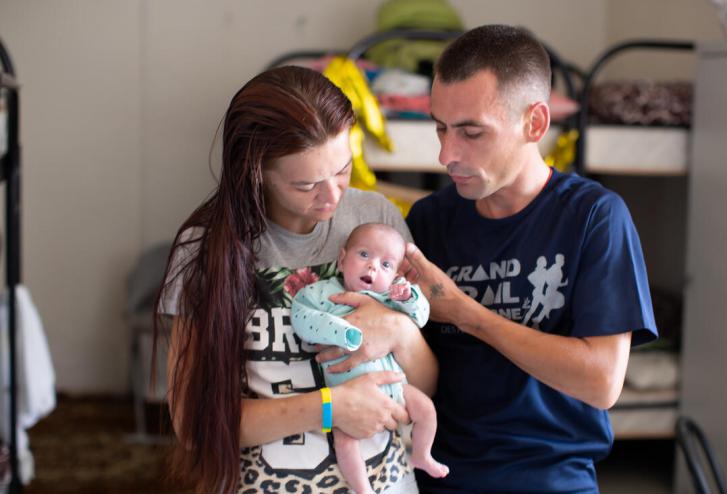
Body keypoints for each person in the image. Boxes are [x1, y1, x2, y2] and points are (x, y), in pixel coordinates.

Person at [401, 25, 658, 493]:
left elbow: (601, 382)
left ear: (534, 124)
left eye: (471, 132)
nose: (446, 154)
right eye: (441, 128)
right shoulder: (429, 221)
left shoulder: (594, 217)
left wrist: (465, 313)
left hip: (552, 480)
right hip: (438, 477)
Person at [156, 66, 437, 494]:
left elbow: (426, 383)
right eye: (307, 184)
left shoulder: (375, 219)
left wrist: (399, 330)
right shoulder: (205, 249)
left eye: (343, 170)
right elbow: (194, 423)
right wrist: (330, 408)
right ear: (256, 174)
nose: (333, 195)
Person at [291, 222, 449, 494]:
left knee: (427, 410)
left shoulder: (390, 297)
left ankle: (422, 454)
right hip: (348, 395)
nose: (373, 267)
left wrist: (410, 296)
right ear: (342, 260)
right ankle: (363, 489)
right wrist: (340, 331)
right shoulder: (325, 294)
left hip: (396, 387)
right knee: (346, 442)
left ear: (396, 274)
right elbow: (302, 316)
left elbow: (421, 316)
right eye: (364, 255)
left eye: (386, 265)